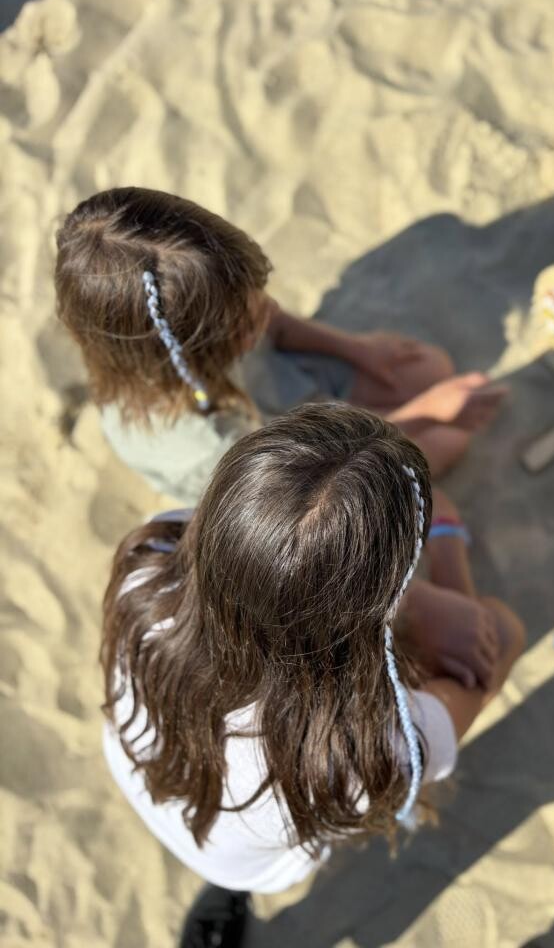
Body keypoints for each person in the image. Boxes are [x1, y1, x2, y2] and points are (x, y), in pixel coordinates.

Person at [101, 403, 525, 946]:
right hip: (250, 856)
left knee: (231, 849)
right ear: (381, 601)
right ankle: (232, 889)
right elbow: (481, 667)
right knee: (506, 630)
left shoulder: (147, 562)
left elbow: (283, 562)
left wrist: (411, 604)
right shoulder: (364, 750)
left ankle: (226, 897)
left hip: (147, 777)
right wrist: (445, 557)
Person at [55, 187, 507, 502]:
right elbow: (311, 475)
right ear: (199, 353)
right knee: (449, 440)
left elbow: (275, 321)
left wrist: (358, 349)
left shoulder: (199, 314)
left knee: (431, 369)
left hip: (288, 386)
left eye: (259, 297)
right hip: (291, 472)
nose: (266, 311)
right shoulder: (205, 447)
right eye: (248, 322)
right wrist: (424, 413)